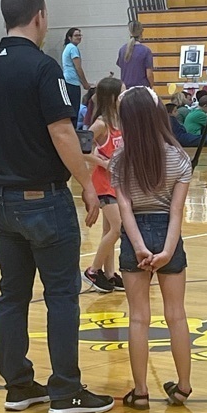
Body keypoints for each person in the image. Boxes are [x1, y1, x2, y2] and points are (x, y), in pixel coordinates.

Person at [0, 0, 113, 413]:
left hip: (3, 201)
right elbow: (61, 131)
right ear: (40, 17)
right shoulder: (43, 68)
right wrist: (88, 184)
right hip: (44, 200)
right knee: (61, 296)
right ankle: (66, 390)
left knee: (12, 294)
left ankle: (18, 386)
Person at [112, 86, 193, 409]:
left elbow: (125, 211)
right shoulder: (178, 158)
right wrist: (168, 251)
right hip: (167, 233)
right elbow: (176, 212)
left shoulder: (120, 161)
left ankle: (141, 390)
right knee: (176, 315)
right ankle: (183, 386)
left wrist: (140, 247)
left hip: (136, 238)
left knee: (138, 318)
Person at [82, 76, 124, 293]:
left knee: (109, 229)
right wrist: (102, 162)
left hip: (117, 182)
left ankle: (109, 273)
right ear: (114, 97)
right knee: (118, 228)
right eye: (123, 92)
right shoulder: (100, 124)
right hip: (102, 183)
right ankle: (93, 270)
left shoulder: (120, 121)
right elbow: (81, 149)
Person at [117, 20, 154, 89]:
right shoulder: (146, 51)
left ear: (129, 32)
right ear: (142, 32)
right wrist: (151, 87)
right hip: (141, 89)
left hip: (125, 89)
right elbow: (149, 74)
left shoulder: (122, 50)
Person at [61, 28, 91, 116]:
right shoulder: (73, 48)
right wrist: (85, 84)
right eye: (76, 35)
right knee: (74, 110)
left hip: (68, 81)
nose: (79, 37)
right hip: (72, 82)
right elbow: (78, 68)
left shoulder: (68, 47)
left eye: (80, 35)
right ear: (69, 38)